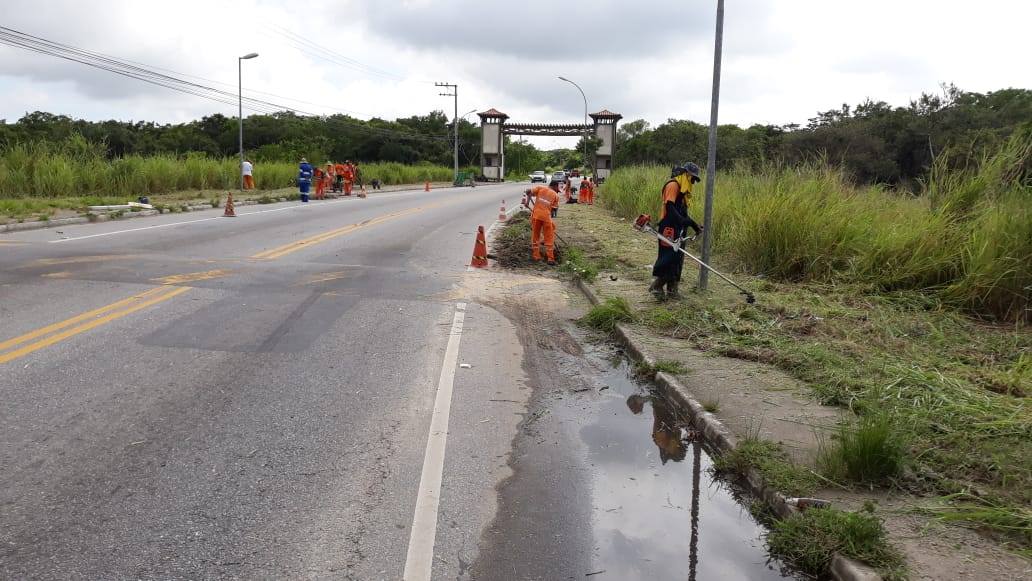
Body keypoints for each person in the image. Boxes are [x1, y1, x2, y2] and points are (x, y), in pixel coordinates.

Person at [649, 162, 703, 299]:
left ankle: (673, 291)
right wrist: (683, 221)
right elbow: (670, 208)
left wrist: (694, 225)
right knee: (669, 259)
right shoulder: (673, 185)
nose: (693, 182)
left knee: (678, 259)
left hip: (678, 227)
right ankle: (657, 286)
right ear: (686, 174)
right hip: (669, 227)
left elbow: (682, 213)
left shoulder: (683, 190)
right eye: (692, 178)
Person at [524, 185, 560, 265]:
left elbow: (528, 191)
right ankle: (550, 258)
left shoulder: (540, 188)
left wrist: (527, 202)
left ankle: (536, 256)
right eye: (557, 190)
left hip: (536, 216)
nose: (557, 191)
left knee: (535, 236)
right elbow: (554, 211)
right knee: (549, 237)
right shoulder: (556, 196)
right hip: (546, 218)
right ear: (555, 187)